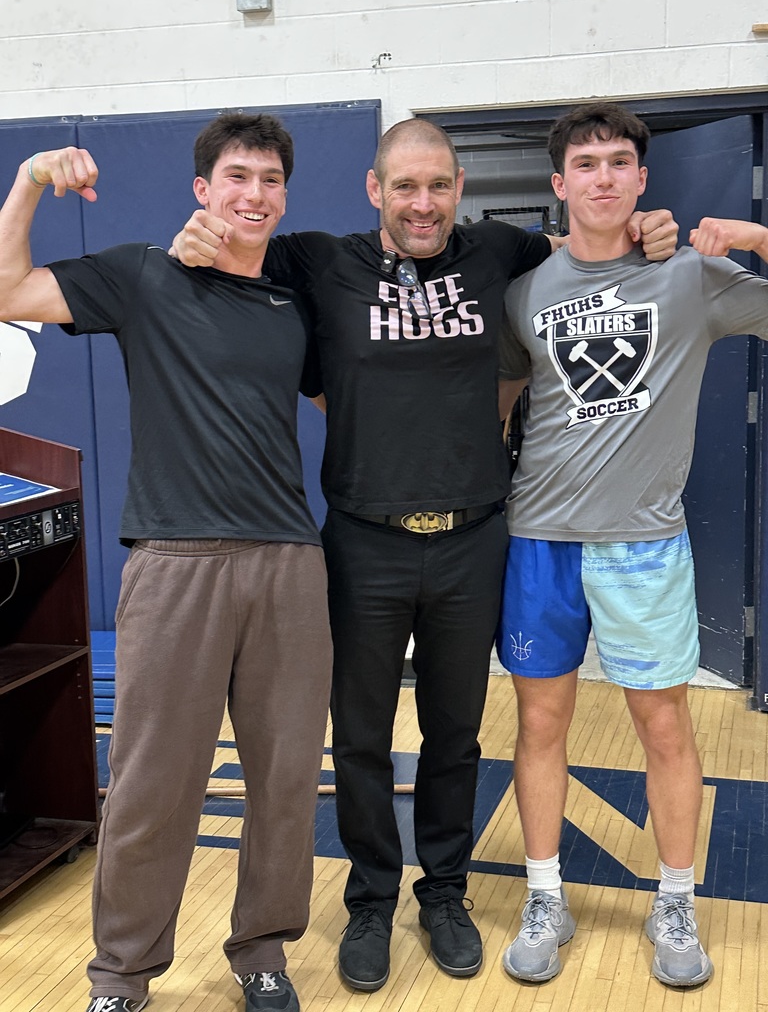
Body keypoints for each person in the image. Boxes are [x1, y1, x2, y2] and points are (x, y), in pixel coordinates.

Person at [172, 117, 678, 991]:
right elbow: (233, 246)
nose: (423, 203)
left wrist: (644, 228)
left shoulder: (500, 253)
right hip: (363, 543)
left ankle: (443, 890)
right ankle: (371, 898)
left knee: (455, 733)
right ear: (375, 191)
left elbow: (584, 249)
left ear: (460, 190)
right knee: (361, 737)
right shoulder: (318, 261)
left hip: (473, 541)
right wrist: (197, 237)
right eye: (404, 186)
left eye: (439, 186)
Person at [0, 114, 334, 1012]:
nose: (252, 194)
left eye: (268, 179)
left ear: (284, 195)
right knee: (153, 784)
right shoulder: (145, 274)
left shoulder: (297, 299)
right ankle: (121, 976)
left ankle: (262, 951)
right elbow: (8, 290)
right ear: (203, 188)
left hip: (288, 563)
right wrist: (30, 179)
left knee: (286, 780)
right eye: (236, 177)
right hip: (175, 559)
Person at [496, 100, 768, 989]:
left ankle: (675, 901)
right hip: (541, 540)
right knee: (539, 723)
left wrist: (755, 237)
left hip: (644, 548)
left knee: (664, 725)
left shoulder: (692, 277)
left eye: (620, 162)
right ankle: (546, 894)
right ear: (559, 182)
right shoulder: (525, 290)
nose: (604, 177)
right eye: (587, 164)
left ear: (643, 178)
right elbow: (498, 406)